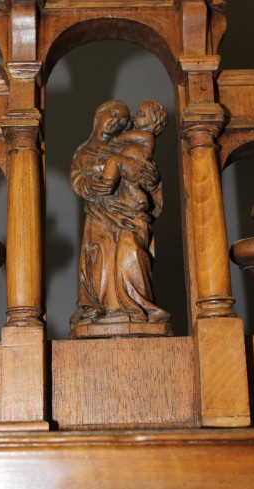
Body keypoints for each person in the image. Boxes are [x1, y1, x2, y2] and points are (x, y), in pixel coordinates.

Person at [70, 99, 170, 330]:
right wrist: (89, 185)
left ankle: (137, 307)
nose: (117, 121)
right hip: (99, 215)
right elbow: (77, 178)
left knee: (131, 251)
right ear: (99, 116)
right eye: (113, 114)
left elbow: (148, 177)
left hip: (130, 212)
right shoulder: (84, 151)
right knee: (99, 259)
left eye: (124, 120)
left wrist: (150, 178)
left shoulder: (129, 147)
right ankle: (100, 307)